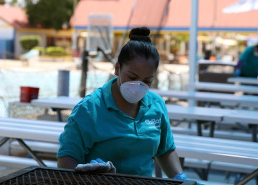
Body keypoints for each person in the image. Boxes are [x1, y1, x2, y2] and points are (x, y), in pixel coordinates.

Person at [57, 27, 190, 181]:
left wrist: (181, 178)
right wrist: (90, 178)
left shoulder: (156, 105)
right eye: (132, 77)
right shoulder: (89, 109)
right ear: (117, 68)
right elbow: (66, 159)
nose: (138, 86)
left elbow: (165, 150)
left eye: (147, 81)